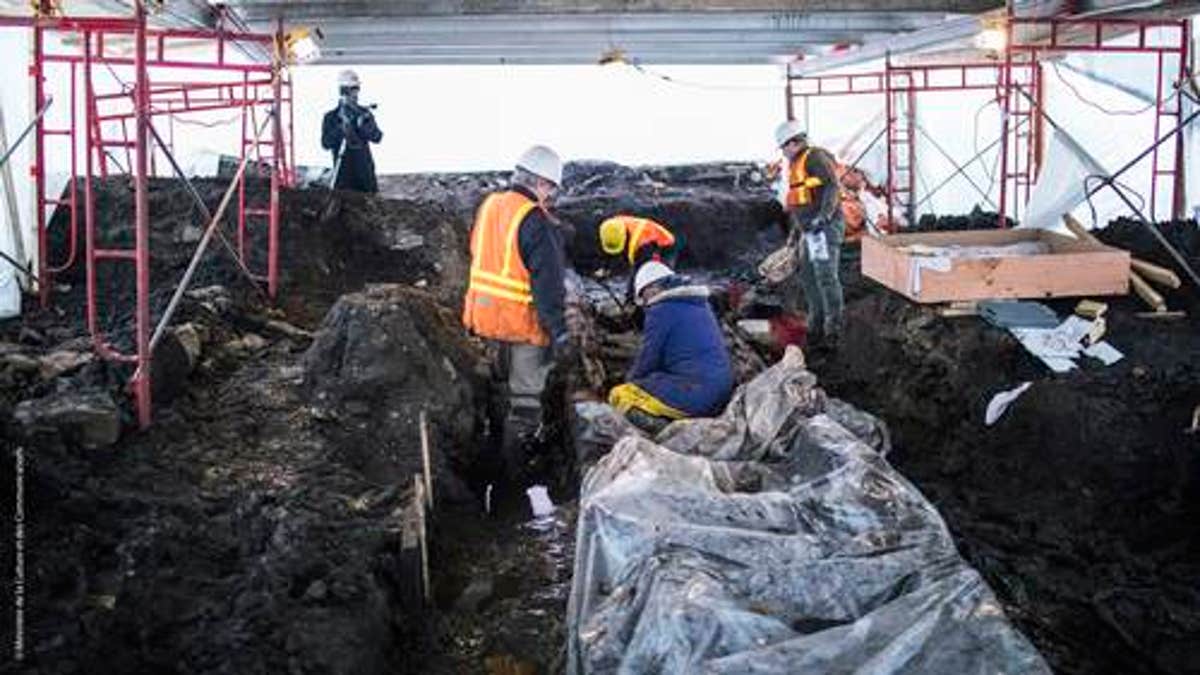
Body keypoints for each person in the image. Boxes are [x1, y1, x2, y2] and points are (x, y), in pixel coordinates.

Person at [462, 144, 574, 482]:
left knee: (496, 394)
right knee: (525, 403)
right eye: (551, 189)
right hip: (521, 328)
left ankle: (490, 455)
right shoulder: (535, 220)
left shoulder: (489, 206)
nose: (550, 196)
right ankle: (517, 481)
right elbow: (549, 288)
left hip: (483, 323)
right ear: (541, 183)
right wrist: (561, 334)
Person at [608, 262, 733, 432]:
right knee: (656, 381)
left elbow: (648, 360)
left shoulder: (660, 311)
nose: (645, 304)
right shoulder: (701, 304)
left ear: (653, 288)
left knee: (620, 395)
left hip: (697, 396)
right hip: (721, 393)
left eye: (643, 296)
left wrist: (631, 382)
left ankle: (665, 432)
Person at [775, 120, 845, 348]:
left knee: (825, 276)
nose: (783, 153)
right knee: (808, 276)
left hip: (824, 229)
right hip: (810, 231)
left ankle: (834, 329)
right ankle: (816, 325)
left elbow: (832, 187)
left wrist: (823, 217)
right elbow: (800, 203)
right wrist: (796, 234)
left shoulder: (815, 157)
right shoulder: (796, 165)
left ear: (794, 142)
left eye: (784, 147)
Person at [321, 69, 383, 194]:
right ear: (342, 91)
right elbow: (326, 143)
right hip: (343, 176)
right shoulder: (331, 117)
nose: (354, 94)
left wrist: (363, 125)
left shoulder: (364, 114)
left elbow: (377, 137)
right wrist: (341, 128)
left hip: (365, 175)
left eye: (355, 89)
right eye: (350, 90)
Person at [598, 214, 681, 301]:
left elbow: (638, 271)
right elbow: (610, 246)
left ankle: (667, 301)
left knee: (660, 278)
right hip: (648, 241)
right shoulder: (612, 227)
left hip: (666, 245)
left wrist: (630, 298)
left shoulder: (641, 245)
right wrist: (605, 269)